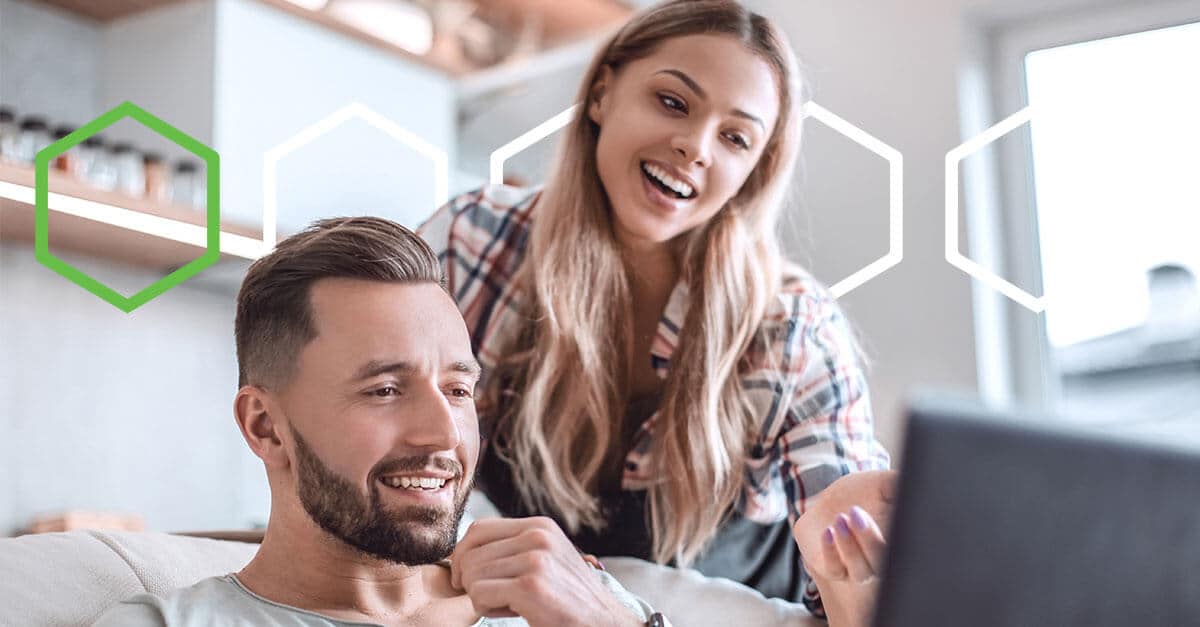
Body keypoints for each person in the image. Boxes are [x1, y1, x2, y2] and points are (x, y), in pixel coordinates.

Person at [418, 1, 895, 625]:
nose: (693, 147)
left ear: (754, 171)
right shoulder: (475, 240)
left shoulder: (795, 330)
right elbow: (393, 443)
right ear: (602, 94)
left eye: (734, 138)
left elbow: (854, 594)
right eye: (674, 102)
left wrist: (860, 554)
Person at [93, 217, 663, 627]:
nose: (443, 435)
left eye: (458, 389)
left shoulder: (572, 602)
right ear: (266, 426)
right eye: (386, 390)